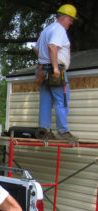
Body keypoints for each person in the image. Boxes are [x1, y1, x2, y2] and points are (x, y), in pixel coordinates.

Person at [34, 4, 78, 141]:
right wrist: (55, 68)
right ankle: (63, 131)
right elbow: (52, 46)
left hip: (43, 69)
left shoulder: (47, 29)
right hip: (54, 70)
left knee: (46, 101)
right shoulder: (59, 29)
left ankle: (44, 131)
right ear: (65, 17)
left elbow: (36, 49)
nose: (71, 23)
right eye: (71, 20)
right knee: (62, 99)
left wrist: (45, 61)